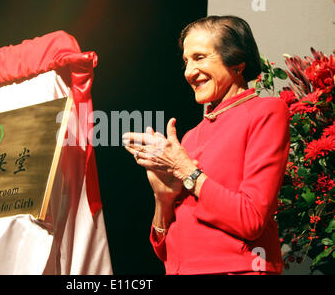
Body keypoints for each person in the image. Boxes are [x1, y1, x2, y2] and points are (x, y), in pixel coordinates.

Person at [122, 15, 290, 275]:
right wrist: (163, 198)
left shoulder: (266, 112)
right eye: (186, 62)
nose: (189, 72)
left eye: (199, 58)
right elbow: (163, 250)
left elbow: (252, 219)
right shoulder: (189, 137)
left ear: (238, 62)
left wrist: (185, 169)